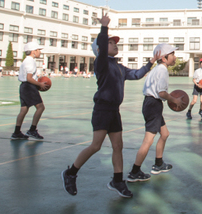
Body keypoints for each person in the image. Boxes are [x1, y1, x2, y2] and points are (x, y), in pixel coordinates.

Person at [61, 13, 158, 198]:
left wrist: (151, 62)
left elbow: (137, 74)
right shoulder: (102, 63)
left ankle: (118, 180)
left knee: (118, 146)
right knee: (96, 145)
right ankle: (70, 173)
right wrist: (104, 27)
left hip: (114, 111)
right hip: (102, 109)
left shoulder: (120, 67)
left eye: (115, 43)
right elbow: (103, 46)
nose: (115, 44)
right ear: (102, 48)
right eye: (112, 43)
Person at [127, 43, 184, 183]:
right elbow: (162, 93)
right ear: (164, 58)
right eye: (172, 54)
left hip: (150, 104)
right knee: (148, 140)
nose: (175, 57)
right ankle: (135, 171)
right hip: (153, 105)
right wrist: (174, 100)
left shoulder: (155, 70)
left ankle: (158, 164)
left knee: (165, 134)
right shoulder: (162, 71)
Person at [11, 41, 49, 140]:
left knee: (23, 109)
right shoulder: (30, 61)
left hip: (24, 87)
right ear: (33, 51)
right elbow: (29, 78)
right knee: (41, 107)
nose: (39, 52)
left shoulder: (25, 60)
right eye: (38, 50)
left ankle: (16, 132)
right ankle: (32, 130)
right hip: (29, 87)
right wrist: (39, 84)